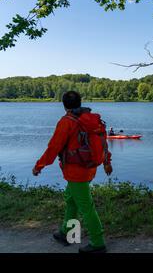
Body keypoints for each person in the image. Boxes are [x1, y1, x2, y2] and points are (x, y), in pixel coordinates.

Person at [32, 91, 113, 253]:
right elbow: (103, 142)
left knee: (86, 207)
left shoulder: (67, 122)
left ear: (64, 105)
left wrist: (39, 166)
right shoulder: (91, 119)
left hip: (76, 172)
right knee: (71, 199)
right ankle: (66, 233)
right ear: (80, 102)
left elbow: (54, 147)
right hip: (90, 167)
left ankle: (98, 243)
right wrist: (106, 162)